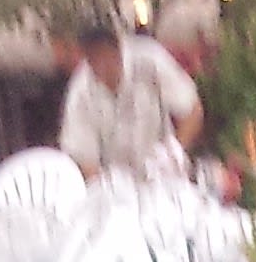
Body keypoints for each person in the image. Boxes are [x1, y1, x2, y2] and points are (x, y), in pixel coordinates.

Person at [57, 12, 204, 180]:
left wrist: (174, 150)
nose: (102, 66)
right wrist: (107, 188)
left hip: (165, 174)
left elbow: (193, 111)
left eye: (106, 57)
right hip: (117, 184)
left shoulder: (151, 61)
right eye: (94, 60)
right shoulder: (80, 91)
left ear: (118, 49)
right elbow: (84, 158)